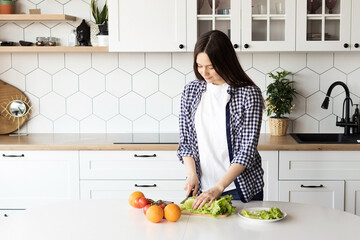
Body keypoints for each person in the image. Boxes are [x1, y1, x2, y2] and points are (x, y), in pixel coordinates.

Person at [177, 30, 264, 210]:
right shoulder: (192, 91)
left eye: (210, 66)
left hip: (238, 189)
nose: (204, 73)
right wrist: (192, 175)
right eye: (199, 66)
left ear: (225, 62)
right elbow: (186, 140)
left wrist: (219, 187)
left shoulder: (248, 94)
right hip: (203, 189)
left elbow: (246, 150)